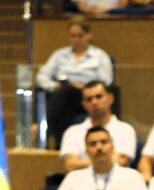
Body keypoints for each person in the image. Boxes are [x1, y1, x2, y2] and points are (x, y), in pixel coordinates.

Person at [36, 18, 114, 147]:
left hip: (87, 94)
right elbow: (41, 76)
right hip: (63, 92)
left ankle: (43, 126)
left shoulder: (100, 56)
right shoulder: (59, 55)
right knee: (65, 100)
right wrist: (54, 85)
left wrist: (86, 87)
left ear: (89, 35)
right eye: (73, 36)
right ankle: (62, 145)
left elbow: (107, 80)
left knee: (67, 92)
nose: (76, 40)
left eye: (80, 36)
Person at [57, 81, 137, 171]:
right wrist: (105, 161)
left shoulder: (125, 130)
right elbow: (70, 165)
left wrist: (83, 162)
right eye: (89, 99)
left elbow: (121, 161)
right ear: (84, 104)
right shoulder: (72, 132)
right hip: (82, 179)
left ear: (110, 99)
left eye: (99, 97)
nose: (94, 102)